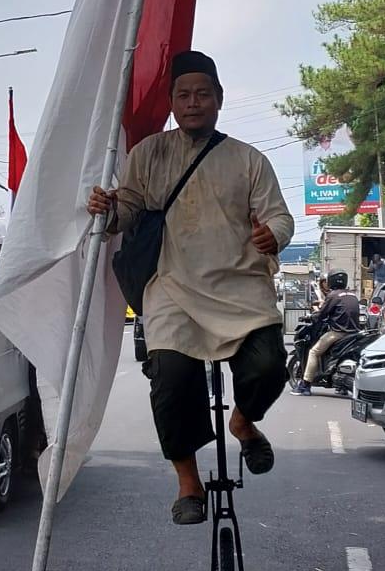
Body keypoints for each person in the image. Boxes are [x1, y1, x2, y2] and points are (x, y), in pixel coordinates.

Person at [87, 51, 294, 526]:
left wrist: (273, 233)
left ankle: (242, 422)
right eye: (184, 94)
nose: (193, 102)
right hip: (172, 287)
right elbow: (128, 212)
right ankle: (187, 482)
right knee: (171, 382)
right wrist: (106, 207)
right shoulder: (149, 154)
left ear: (219, 100)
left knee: (267, 367)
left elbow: (280, 214)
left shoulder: (248, 159)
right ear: (173, 102)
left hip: (240, 287)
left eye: (203, 94)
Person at [291, 270, 362, 395]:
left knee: (314, 352)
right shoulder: (352, 295)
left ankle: (305, 385)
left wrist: (311, 317)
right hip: (355, 333)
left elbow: (322, 314)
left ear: (331, 281)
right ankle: (342, 387)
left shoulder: (333, 295)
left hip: (339, 333)